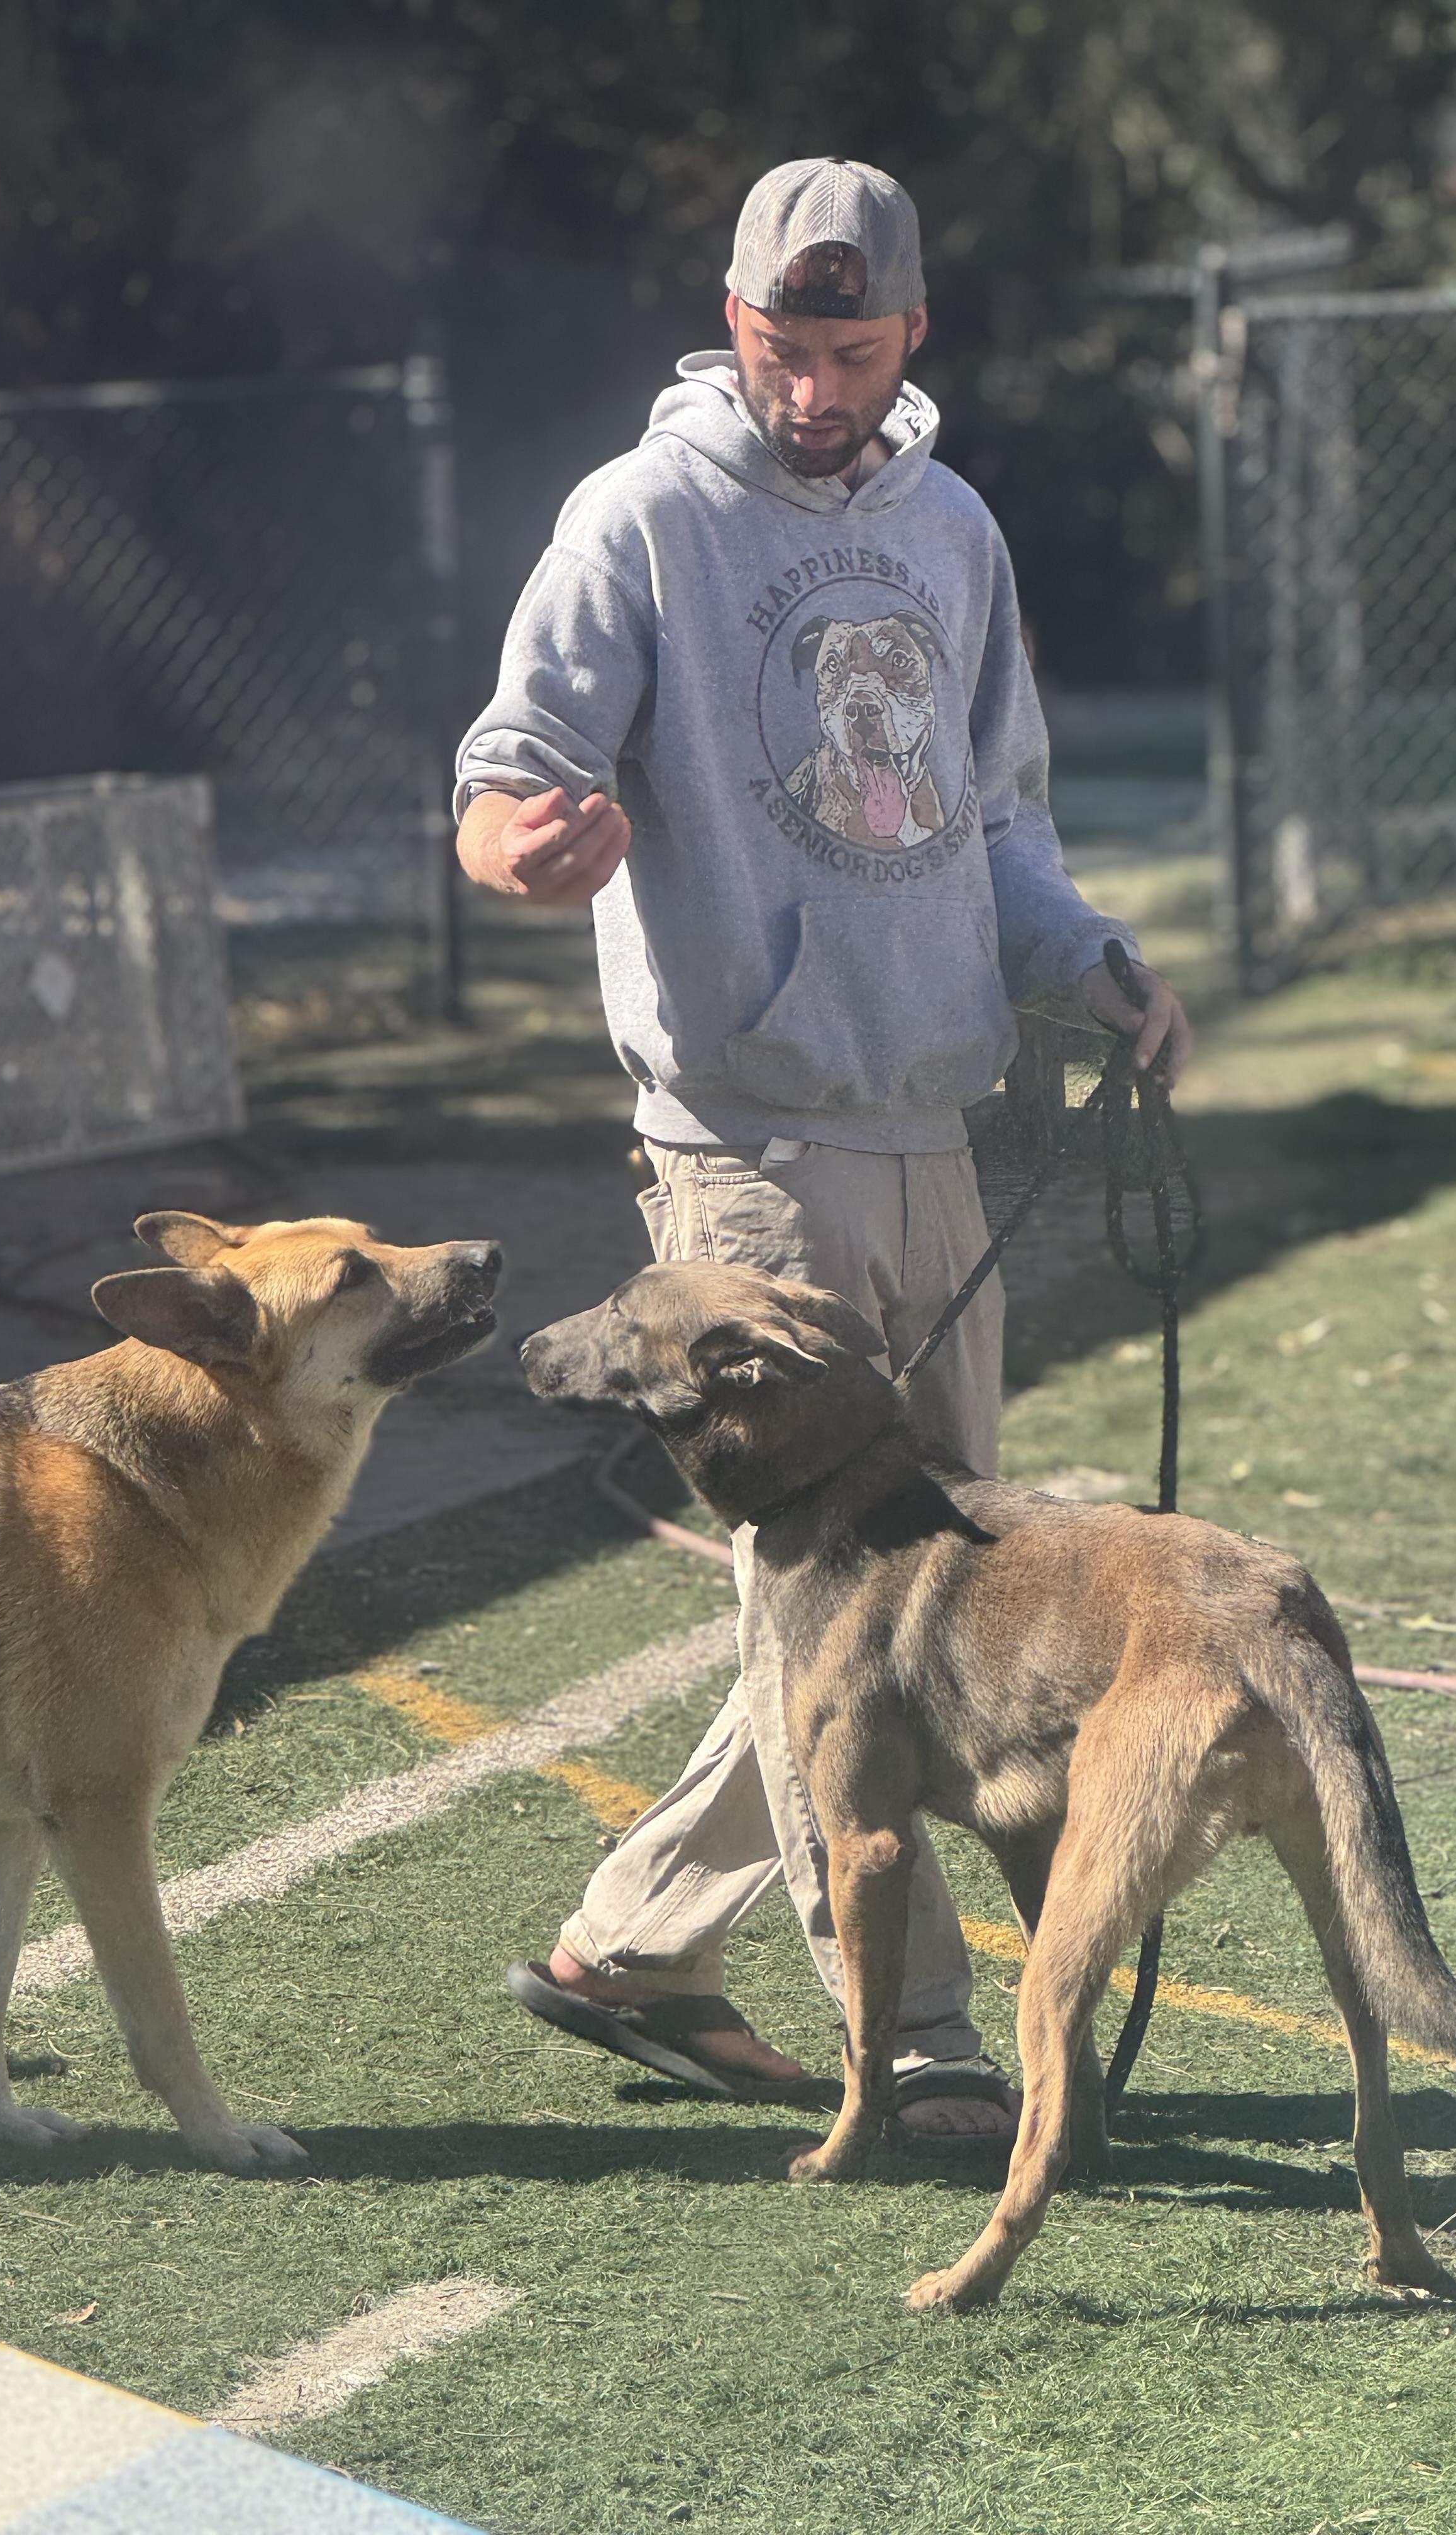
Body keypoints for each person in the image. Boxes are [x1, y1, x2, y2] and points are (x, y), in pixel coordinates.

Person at [454, 157, 1189, 2141]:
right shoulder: (641, 515)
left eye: (850, 347)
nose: (810, 382)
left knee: (906, 1591)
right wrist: (525, 847)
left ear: (913, 336)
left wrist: (1095, 966)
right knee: (825, 1608)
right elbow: (507, 771)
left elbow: (1000, 821)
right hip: (742, 1154)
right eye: (783, 342)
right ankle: (924, 2036)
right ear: (734, 313)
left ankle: (629, 1943)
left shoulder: (953, 530)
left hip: (934, 1121)